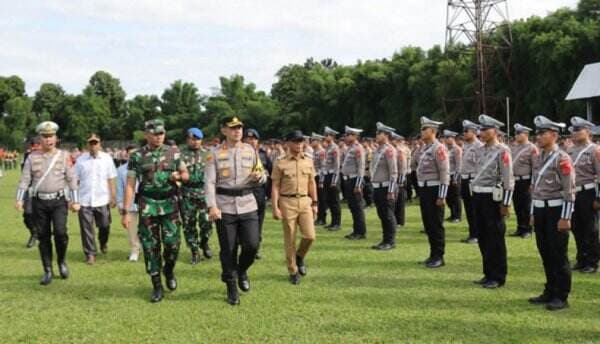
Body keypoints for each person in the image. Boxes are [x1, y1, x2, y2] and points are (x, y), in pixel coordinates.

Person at [122, 119, 189, 303]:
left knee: (172, 244)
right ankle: (157, 284)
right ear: (146, 135)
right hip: (148, 205)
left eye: (161, 133)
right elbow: (130, 185)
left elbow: (186, 174)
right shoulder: (137, 156)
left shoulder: (174, 153)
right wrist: (126, 211)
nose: (158, 137)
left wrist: (179, 176)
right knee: (150, 247)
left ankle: (169, 270)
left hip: (170, 204)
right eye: (154, 133)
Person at [205, 116, 267, 306]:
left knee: (252, 245)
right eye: (232, 128)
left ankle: (240, 271)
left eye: (239, 127)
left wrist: (260, 177)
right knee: (229, 249)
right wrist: (212, 206)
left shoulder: (250, 150)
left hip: (248, 203)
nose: (237, 131)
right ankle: (231, 286)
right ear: (224, 130)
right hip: (224, 206)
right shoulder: (214, 154)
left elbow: (263, 175)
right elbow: (209, 182)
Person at [15, 121, 79, 285]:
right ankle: (48, 270)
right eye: (45, 136)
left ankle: (62, 261)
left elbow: (71, 179)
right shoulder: (32, 157)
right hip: (39, 202)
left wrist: (75, 201)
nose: (48, 139)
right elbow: (24, 180)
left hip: (58, 201)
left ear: (56, 138)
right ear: (40, 138)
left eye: (51, 136)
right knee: (43, 237)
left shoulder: (64, 156)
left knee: (60, 233)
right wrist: (19, 199)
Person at [528, 115, 575, 311]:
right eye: (537, 133)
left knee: (558, 254)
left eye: (542, 133)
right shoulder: (539, 157)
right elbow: (535, 188)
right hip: (540, 209)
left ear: (554, 135)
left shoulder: (562, 158)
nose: (538, 136)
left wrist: (565, 217)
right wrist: (532, 212)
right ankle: (550, 289)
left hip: (556, 210)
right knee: (545, 252)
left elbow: (569, 190)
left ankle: (561, 295)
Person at [470, 115, 514, 289]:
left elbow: (508, 178)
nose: (482, 132)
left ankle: (498, 275)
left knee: (495, 237)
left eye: (485, 129)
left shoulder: (503, 150)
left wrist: (506, 203)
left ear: (495, 131)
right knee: (482, 236)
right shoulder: (479, 150)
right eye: (480, 129)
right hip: (479, 196)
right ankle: (488, 272)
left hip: (493, 198)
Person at [271, 130, 318, 284]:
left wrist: (315, 203)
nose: (299, 144)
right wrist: (275, 207)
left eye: (301, 141)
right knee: (290, 238)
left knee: (310, 236)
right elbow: (275, 186)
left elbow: (312, 183)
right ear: (288, 143)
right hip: (287, 201)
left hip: (305, 201)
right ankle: (293, 270)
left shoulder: (308, 160)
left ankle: (299, 256)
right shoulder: (280, 162)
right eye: (296, 141)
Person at [75, 133, 117, 265]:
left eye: (95, 143)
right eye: (91, 143)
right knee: (86, 228)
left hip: (102, 198)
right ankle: (90, 254)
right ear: (87, 144)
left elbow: (111, 179)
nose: (93, 146)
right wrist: (73, 199)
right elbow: (74, 180)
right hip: (84, 200)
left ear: (100, 144)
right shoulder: (80, 160)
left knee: (104, 225)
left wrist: (113, 196)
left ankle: (103, 242)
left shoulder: (107, 159)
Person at [567, 116, 600, 273]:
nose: (575, 133)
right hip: (573, 194)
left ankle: (592, 261)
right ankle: (581, 258)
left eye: (578, 130)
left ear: (588, 131)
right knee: (576, 227)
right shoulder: (570, 150)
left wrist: (598, 198)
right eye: (573, 130)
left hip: (588, 193)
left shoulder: (595, 150)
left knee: (590, 228)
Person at [416, 117, 450, 268]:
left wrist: (442, 195)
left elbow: (444, 172)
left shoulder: (439, 148)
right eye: (422, 129)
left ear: (433, 131)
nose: (422, 131)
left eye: (425, 129)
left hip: (435, 189)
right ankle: (432, 254)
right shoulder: (424, 148)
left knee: (436, 224)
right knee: (428, 223)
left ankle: (439, 256)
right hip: (424, 189)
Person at [180, 128, 214, 265]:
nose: (195, 142)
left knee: (207, 222)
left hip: (204, 193)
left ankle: (204, 242)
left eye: (198, 139)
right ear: (187, 139)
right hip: (187, 193)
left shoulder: (208, 154)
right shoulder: (180, 155)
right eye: (192, 139)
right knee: (189, 224)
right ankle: (194, 251)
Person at [244, 128, 272, 259]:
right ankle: (244, 245)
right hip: (244, 192)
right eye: (248, 138)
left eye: (254, 139)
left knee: (259, 221)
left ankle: (256, 247)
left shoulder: (263, 154)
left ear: (257, 141)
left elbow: (270, 172)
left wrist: (269, 194)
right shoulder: (239, 154)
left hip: (259, 192)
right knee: (244, 221)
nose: (251, 141)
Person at [370, 122, 398, 250]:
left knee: (388, 215)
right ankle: (385, 239)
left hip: (387, 187)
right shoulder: (377, 150)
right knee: (382, 215)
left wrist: (391, 190)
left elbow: (393, 172)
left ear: (386, 135)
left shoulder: (389, 150)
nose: (376, 135)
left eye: (379, 133)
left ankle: (390, 241)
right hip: (378, 187)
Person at [510, 124, 538, 238]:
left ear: (526, 134)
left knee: (526, 206)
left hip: (526, 180)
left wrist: (533, 182)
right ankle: (520, 227)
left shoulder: (532, 148)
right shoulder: (514, 147)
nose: (516, 135)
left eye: (519, 133)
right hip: (515, 180)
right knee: (517, 205)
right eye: (515, 133)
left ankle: (528, 229)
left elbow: (535, 167)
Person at [341, 126, 367, 240]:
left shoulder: (358, 148)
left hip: (354, 180)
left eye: (348, 135)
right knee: (352, 207)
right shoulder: (350, 148)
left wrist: (358, 184)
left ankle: (360, 232)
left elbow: (361, 167)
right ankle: (356, 230)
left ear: (355, 136)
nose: (346, 137)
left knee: (357, 207)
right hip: (348, 180)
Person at [116, 144, 141, 262]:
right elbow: (120, 188)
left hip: (145, 202)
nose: (133, 156)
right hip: (129, 203)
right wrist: (121, 204)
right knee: (132, 229)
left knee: (147, 228)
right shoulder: (121, 170)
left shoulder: (144, 166)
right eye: (130, 154)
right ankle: (135, 251)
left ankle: (149, 250)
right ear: (127, 155)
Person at [460, 120, 483, 243]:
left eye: (466, 131)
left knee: (474, 208)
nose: (464, 133)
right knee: (468, 208)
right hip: (465, 179)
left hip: (473, 180)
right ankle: (472, 233)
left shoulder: (479, 146)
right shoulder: (465, 146)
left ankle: (477, 234)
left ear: (474, 132)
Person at [322, 126, 342, 230]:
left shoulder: (335, 148)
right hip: (327, 175)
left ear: (332, 136)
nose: (325, 137)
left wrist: (334, 180)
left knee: (335, 201)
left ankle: (337, 223)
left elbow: (336, 165)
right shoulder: (327, 148)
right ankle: (333, 222)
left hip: (333, 176)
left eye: (327, 135)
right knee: (329, 200)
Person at [443, 130, 462, 223]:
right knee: (448, 197)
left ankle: (457, 216)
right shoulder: (445, 149)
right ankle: (452, 213)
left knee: (455, 197)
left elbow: (459, 165)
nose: (446, 139)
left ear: (452, 138)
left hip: (454, 175)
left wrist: (455, 178)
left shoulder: (457, 149)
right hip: (447, 175)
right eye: (445, 137)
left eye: (447, 137)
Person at [391, 133, 408, 227]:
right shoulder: (394, 150)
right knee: (395, 200)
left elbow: (402, 168)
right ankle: (395, 220)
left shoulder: (400, 151)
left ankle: (400, 221)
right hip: (394, 178)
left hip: (399, 179)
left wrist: (400, 181)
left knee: (399, 202)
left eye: (393, 139)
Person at [311, 133, 328, 225]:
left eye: (314, 140)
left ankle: (322, 218)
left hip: (319, 177)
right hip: (314, 176)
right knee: (317, 198)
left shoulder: (321, 152)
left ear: (318, 141)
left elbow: (323, 167)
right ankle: (319, 217)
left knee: (321, 199)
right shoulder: (314, 152)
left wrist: (321, 180)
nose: (311, 142)